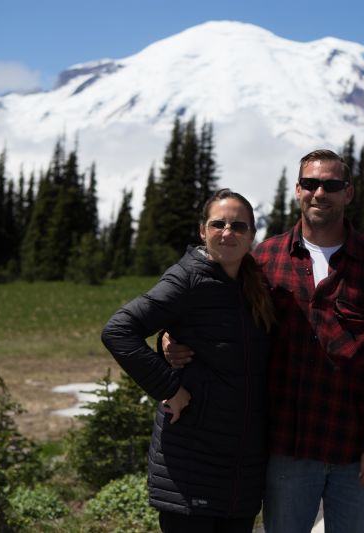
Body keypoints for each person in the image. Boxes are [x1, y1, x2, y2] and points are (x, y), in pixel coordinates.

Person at [165, 149, 364, 532]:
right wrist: (169, 338)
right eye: (311, 184)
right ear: (297, 190)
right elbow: (215, 319)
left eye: (331, 185)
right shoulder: (263, 260)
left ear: (348, 193)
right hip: (285, 449)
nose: (320, 193)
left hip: (353, 448)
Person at [101, 189, 274, 533]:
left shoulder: (254, 284)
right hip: (191, 465)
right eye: (218, 224)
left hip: (241, 468)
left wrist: (166, 336)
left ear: (253, 235)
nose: (228, 232)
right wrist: (169, 387)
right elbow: (119, 330)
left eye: (239, 226)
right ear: (202, 231)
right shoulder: (188, 277)